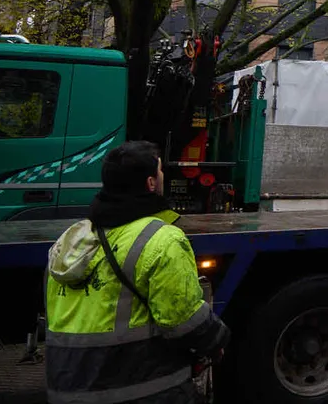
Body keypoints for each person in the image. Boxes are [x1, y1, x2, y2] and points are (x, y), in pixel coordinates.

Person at [44, 140, 229, 403]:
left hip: (67, 389)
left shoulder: (70, 241)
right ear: (151, 184)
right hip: (138, 389)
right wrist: (219, 339)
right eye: (161, 171)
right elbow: (183, 321)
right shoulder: (161, 240)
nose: (164, 176)